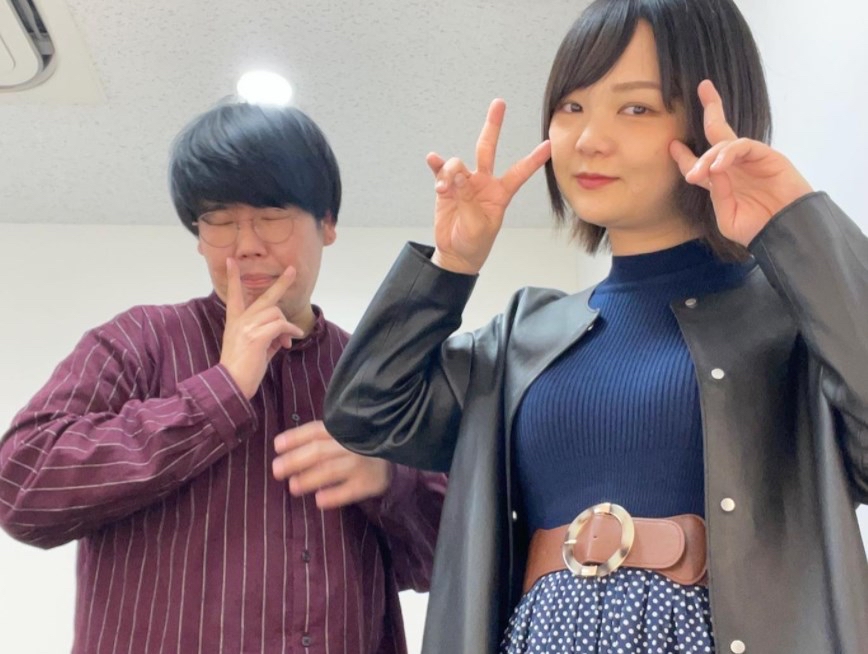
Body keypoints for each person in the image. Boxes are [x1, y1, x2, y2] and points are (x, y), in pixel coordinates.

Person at [322, 0, 868, 652]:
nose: (588, 139)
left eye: (635, 108)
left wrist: (798, 225)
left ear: (710, 117)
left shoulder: (787, 317)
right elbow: (367, 409)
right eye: (572, 106)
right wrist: (452, 264)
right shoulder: (524, 334)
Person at [0, 101, 446, 654]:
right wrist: (220, 391)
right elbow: (21, 488)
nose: (246, 243)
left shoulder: (376, 372)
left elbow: (441, 558)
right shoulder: (138, 341)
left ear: (327, 224)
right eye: (219, 220)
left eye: (272, 214)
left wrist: (387, 481)